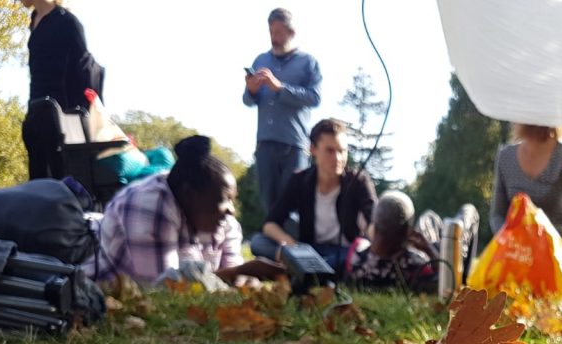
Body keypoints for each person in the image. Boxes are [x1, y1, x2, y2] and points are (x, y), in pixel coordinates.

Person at [96, 135, 284, 287]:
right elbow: (164, 293)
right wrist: (238, 272)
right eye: (224, 200)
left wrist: (243, 279)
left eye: (232, 200)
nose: (231, 211)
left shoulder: (221, 221)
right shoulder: (149, 206)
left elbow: (229, 281)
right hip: (113, 303)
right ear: (188, 194)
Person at [253, 118, 376, 276]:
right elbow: (270, 224)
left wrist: (379, 239)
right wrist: (291, 246)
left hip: (347, 251)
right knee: (258, 242)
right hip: (308, 249)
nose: (338, 158)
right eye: (330, 151)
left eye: (342, 151)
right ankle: (307, 267)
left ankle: (303, 270)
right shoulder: (300, 180)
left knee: (361, 252)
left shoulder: (358, 181)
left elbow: (373, 220)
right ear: (313, 149)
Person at [243, 8, 322, 214]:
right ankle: (270, 245)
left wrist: (280, 87)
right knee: (269, 207)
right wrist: (251, 90)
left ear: (291, 33)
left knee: (294, 207)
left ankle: (293, 246)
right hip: (265, 146)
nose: (274, 37)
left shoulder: (308, 63)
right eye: (271, 32)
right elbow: (248, 100)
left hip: (294, 146)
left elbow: (315, 97)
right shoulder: (261, 61)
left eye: (278, 32)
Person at [19, 0, 102, 179]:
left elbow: (85, 73)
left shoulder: (68, 23)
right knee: (39, 188)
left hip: (63, 123)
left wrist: (77, 121)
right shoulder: (34, 20)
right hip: (36, 115)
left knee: (64, 188)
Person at [489, 124, 562, 251]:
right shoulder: (506, 156)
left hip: (561, 253)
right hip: (518, 252)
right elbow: (497, 215)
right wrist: (508, 239)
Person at [348, 191, 437, 290]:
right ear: (409, 231)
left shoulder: (356, 258)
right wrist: (429, 249)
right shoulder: (415, 267)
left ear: (374, 223)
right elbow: (444, 283)